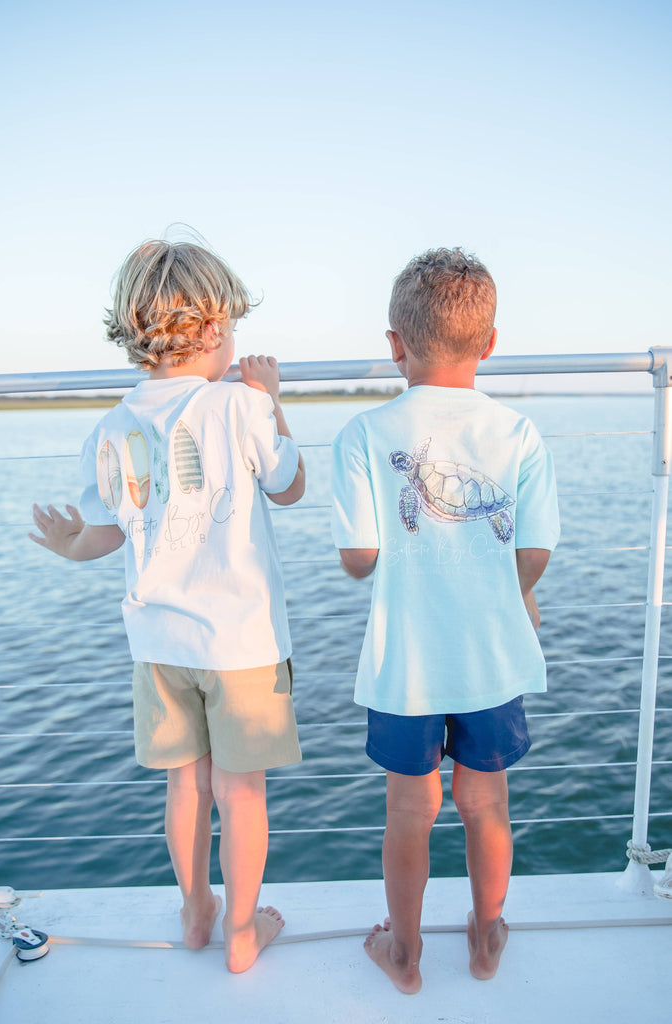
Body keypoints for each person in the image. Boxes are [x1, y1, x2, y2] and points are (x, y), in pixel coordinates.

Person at [29, 238, 305, 973]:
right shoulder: (241, 405)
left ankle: (194, 911)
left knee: (186, 785)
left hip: (157, 645)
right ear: (212, 330)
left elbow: (102, 536)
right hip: (241, 643)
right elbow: (289, 487)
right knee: (240, 794)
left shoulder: (111, 426)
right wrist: (271, 399)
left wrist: (66, 544)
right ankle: (241, 931)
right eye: (233, 328)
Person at [331, 247, 559, 993]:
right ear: (488, 343)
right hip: (491, 654)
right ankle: (487, 937)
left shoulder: (365, 433)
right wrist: (509, 592)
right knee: (485, 803)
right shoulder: (518, 431)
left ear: (395, 343)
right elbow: (533, 551)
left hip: (407, 663)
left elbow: (359, 558)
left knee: (409, 810)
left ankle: (404, 954)